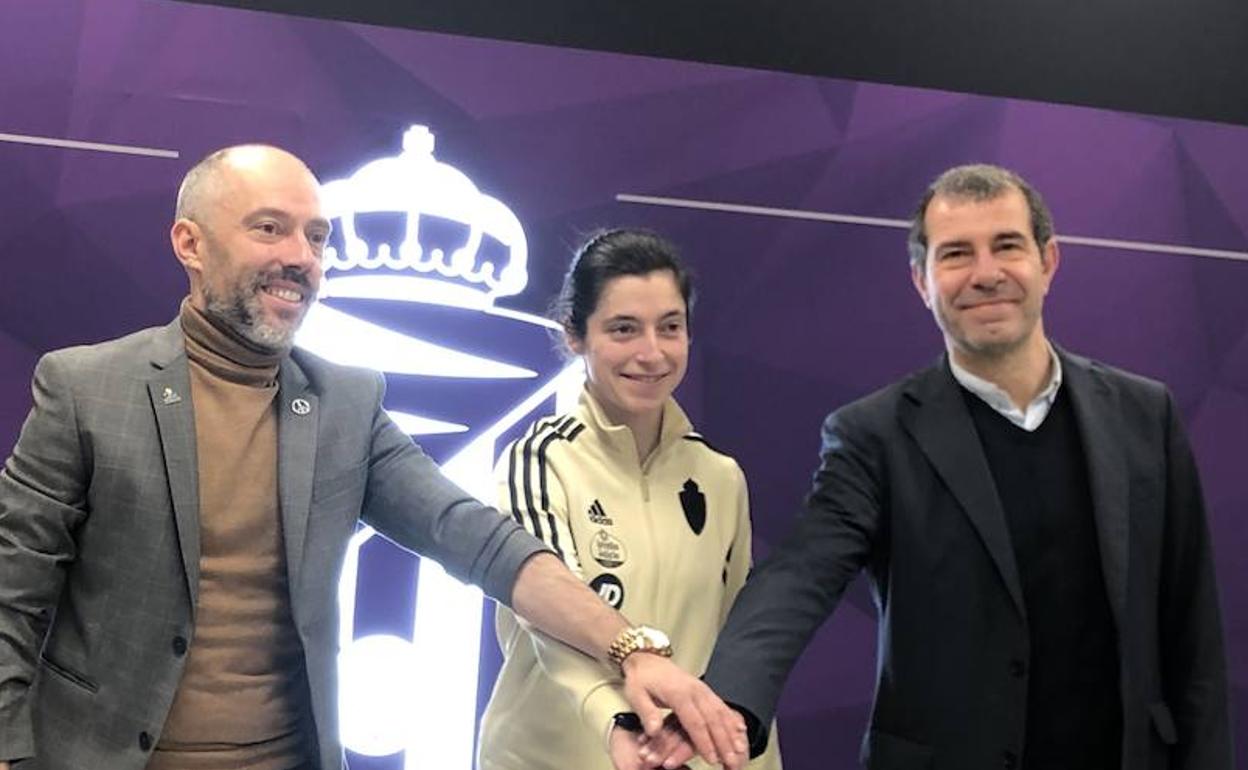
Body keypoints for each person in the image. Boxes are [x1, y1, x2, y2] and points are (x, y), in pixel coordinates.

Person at [0, 146, 749, 770]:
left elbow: (478, 540)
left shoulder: (345, 406)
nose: (300, 257)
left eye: (317, 237)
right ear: (190, 243)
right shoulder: (85, 387)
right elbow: (12, 593)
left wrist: (629, 650)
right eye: (270, 229)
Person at [642, 164, 1232, 770]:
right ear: (922, 281)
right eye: (955, 254)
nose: (986, 274)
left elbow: (1193, 636)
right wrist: (725, 701)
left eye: (1007, 245)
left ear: (1048, 261)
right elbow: (800, 576)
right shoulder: (873, 435)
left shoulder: (1143, 415)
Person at [476, 230, 783, 770]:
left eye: (670, 328)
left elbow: (736, 645)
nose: (652, 353)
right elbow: (544, 613)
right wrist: (614, 717)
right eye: (623, 329)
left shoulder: (720, 478)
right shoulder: (539, 462)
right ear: (575, 334)